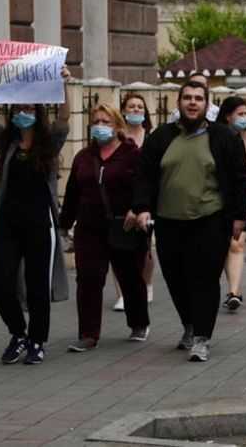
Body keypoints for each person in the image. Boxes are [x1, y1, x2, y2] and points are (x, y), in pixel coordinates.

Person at [129, 81, 246, 362]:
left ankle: (203, 337)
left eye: (198, 98)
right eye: (187, 98)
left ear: (207, 105)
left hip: (210, 219)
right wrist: (142, 208)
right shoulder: (161, 137)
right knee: (175, 277)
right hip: (169, 221)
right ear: (178, 103)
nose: (192, 103)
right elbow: (143, 174)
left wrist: (239, 216)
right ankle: (190, 325)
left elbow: (238, 178)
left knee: (204, 279)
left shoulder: (223, 137)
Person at [0, 66, 72, 365]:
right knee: (2, 284)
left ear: (38, 110)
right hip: (9, 222)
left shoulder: (49, 143)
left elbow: (65, 118)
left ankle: (37, 340)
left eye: (29, 107)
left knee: (37, 283)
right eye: (19, 107)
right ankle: (18, 333)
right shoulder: (6, 141)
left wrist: (64, 84)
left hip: (39, 222)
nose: (23, 111)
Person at [61, 103, 149, 352]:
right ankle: (88, 334)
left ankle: (139, 322)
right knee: (88, 278)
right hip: (89, 228)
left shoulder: (133, 155)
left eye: (106, 122)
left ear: (118, 127)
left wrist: (137, 208)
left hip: (124, 227)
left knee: (130, 277)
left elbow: (145, 186)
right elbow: (72, 193)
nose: (100, 127)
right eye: (96, 121)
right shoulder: (83, 157)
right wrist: (64, 225)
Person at [216, 97, 246, 312]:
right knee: (223, 247)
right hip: (217, 201)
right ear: (228, 115)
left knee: (236, 245)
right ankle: (234, 287)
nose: (245, 118)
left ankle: (234, 292)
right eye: (240, 113)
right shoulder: (215, 136)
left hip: (245, 201)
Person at [114, 93, 155, 312]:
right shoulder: (117, 137)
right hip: (120, 196)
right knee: (118, 245)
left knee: (145, 246)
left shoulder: (151, 137)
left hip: (146, 198)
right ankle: (122, 294)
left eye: (140, 107)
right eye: (131, 107)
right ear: (123, 110)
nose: (136, 110)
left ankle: (146, 283)